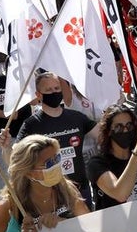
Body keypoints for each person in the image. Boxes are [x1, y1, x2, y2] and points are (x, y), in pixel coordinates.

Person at [16, 72, 97, 208]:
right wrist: (5, 146)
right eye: (48, 90)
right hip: (50, 193)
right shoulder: (31, 124)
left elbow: (102, 135)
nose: (54, 93)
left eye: (57, 89)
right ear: (38, 95)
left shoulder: (77, 117)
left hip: (80, 189)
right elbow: (16, 158)